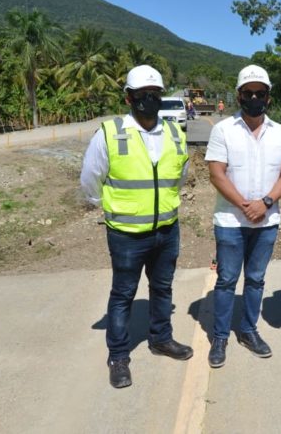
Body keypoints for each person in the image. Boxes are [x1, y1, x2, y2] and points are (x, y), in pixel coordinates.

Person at [80, 64, 192, 389]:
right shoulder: (110, 133)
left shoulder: (173, 132)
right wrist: (109, 207)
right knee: (123, 294)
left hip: (167, 229)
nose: (149, 100)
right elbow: (90, 180)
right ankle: (118, 357)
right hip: (127, 235)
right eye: (142, 95)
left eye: (155, 94)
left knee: (162, 288)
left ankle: (161, 339)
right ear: (128, 98)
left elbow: (180, 175)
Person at [205, 64, 281, 368]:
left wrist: (266, 202)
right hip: (231, 222)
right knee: (227, 280)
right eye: (248, 93)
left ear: (268, 97)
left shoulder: (279, 131)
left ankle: (248, 330)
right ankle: (220, 337)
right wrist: (246, 204)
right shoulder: (223, 130)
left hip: (266, 222)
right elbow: (216, 174)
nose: (254, 97)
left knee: (255, 280)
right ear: (239, 95)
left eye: (260, 93)